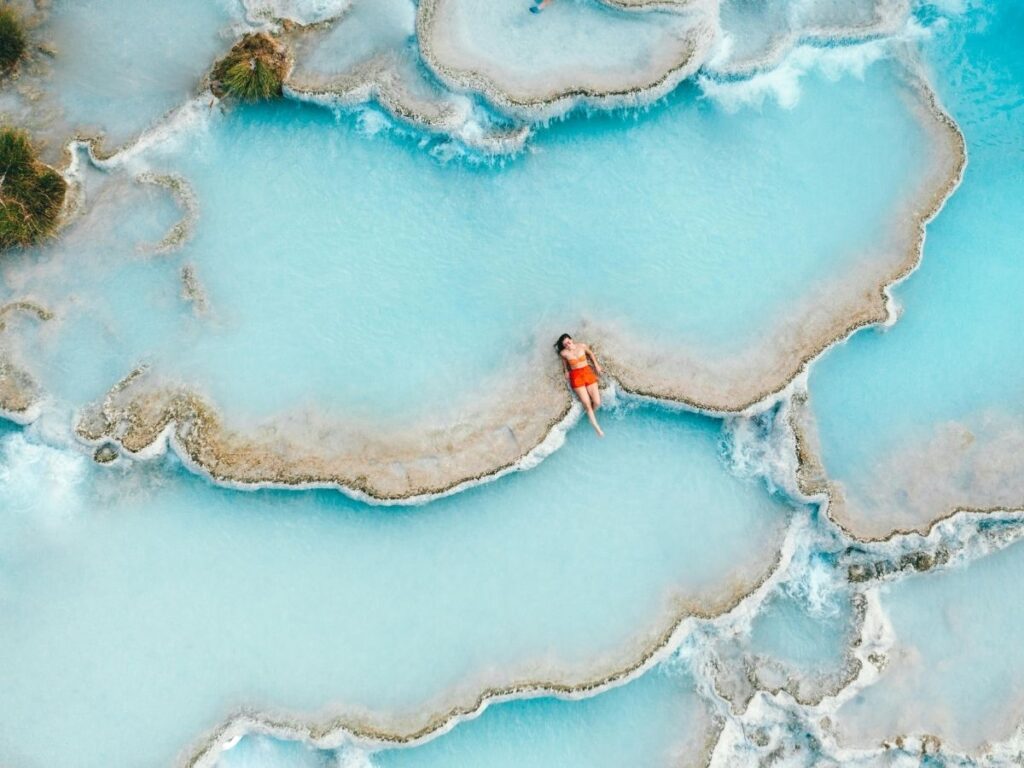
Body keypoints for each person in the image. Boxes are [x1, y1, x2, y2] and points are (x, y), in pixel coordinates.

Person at [555, 333, 604, 436]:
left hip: (587, 372)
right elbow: (564, 363)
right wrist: (566, 371)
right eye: (565, 345)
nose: (567, 345)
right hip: (576, 376)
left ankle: (590, 413)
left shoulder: (581, 346)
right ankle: (596, 426)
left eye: (568, 342)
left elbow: (590, 354)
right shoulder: (563, 353)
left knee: (597, 402)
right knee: (586, 403)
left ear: (571, 340)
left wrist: (597, 366)